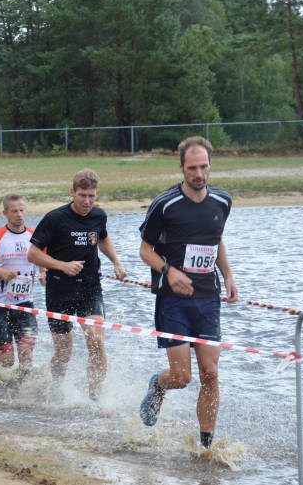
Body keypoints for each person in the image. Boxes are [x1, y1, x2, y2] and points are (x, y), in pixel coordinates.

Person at [137, 136, 238, 450]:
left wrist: (228, 275)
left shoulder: (222, 201)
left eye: (203, 167)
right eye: (192, 168)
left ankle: (206, 446)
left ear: (211, 165)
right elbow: (145, 250)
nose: (199, 174)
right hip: (173, 301)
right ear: (181, 167)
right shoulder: (165, 204)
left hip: (208, 298)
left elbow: (215, 240)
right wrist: (169, 271)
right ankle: (159, 384)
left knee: (210, 373)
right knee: (182, 378)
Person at [27, 169, 127, 399]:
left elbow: (103, 238)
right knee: (64, 352)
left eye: (91, 196)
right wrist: (62, 265)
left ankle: (95, 397)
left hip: (90, 288)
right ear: (72, 192)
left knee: (96, 341)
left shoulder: (98, 215)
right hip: (59, 289)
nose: (87, 201)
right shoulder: (54, 218)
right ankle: (57, 388)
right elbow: (32, 254)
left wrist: (117, 263)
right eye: (82, 195)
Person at [0, 194, 40, 372]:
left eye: (21, 210)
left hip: (25, 302)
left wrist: (44, 273)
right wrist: (0, 272)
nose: (19, 214)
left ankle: (24, 385)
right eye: (14, 211)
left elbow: (42, 259)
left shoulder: (35, 237)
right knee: (6, 361)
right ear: (5, 213)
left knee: (26, 354)